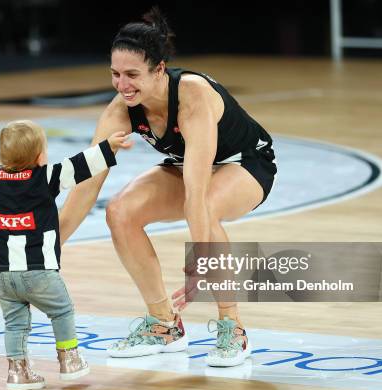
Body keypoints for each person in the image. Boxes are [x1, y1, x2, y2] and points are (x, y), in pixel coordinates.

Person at [58, 7, 277, 367]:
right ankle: (164, 324)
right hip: (187, 167)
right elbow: (87, 182)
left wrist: (198, 267)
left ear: (159, 69)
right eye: (114, 74)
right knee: (120, 212)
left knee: (205, 204)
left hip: (246, 164)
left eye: (132, 74)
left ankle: (232, 327)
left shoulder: (192, 95)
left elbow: (196, 188)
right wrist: (49, 248)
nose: (122, 85)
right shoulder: (121, 108)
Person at [0, 121, 132, 390]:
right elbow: (81, 165)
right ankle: (69, 360)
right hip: (40, 272)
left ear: (2, 157)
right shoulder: (46, 177)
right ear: (40, 157)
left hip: (3, 275)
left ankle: (17, 372)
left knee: (15, 323)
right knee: (62, 311)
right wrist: (110, 147)